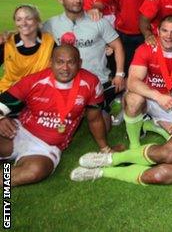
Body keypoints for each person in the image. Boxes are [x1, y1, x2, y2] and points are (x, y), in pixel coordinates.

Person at [0, 45, 114, 186]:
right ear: (50, 62)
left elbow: (95, 119)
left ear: (80, 63)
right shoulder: (34, 81)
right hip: (18, 132)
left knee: (34, 171)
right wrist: (1, 118)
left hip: (47, 147)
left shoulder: (91, 83)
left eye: (71, 62)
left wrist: (105, 149)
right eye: (59, 62)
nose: (65, 68)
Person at [43, 0, 125, 107]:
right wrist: (9, 35)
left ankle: (110, 103)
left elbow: (117, 46)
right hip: (67, 80)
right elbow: (31, 33)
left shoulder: (98, 21)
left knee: (98, 115)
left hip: (98, 80)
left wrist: (119, 74)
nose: (78, 0)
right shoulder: (52, 24)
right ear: (60, 0)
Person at [123, 16, 172, 149]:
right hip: (144, 95)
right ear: (157, 31)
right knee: (134, 100)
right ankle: (134, 145)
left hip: (167, 98)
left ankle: (150, 123)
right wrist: (157, 96)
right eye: (164, 30)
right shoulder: (145, 48)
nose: (168, 36)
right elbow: (132, 82)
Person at [0, 5, 55, 92]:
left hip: (38, 93)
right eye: (19, 19)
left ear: (37, 21)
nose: (23, 23)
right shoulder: (7, 42)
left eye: (28, 19)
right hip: (9, 91)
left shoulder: (49, 42)